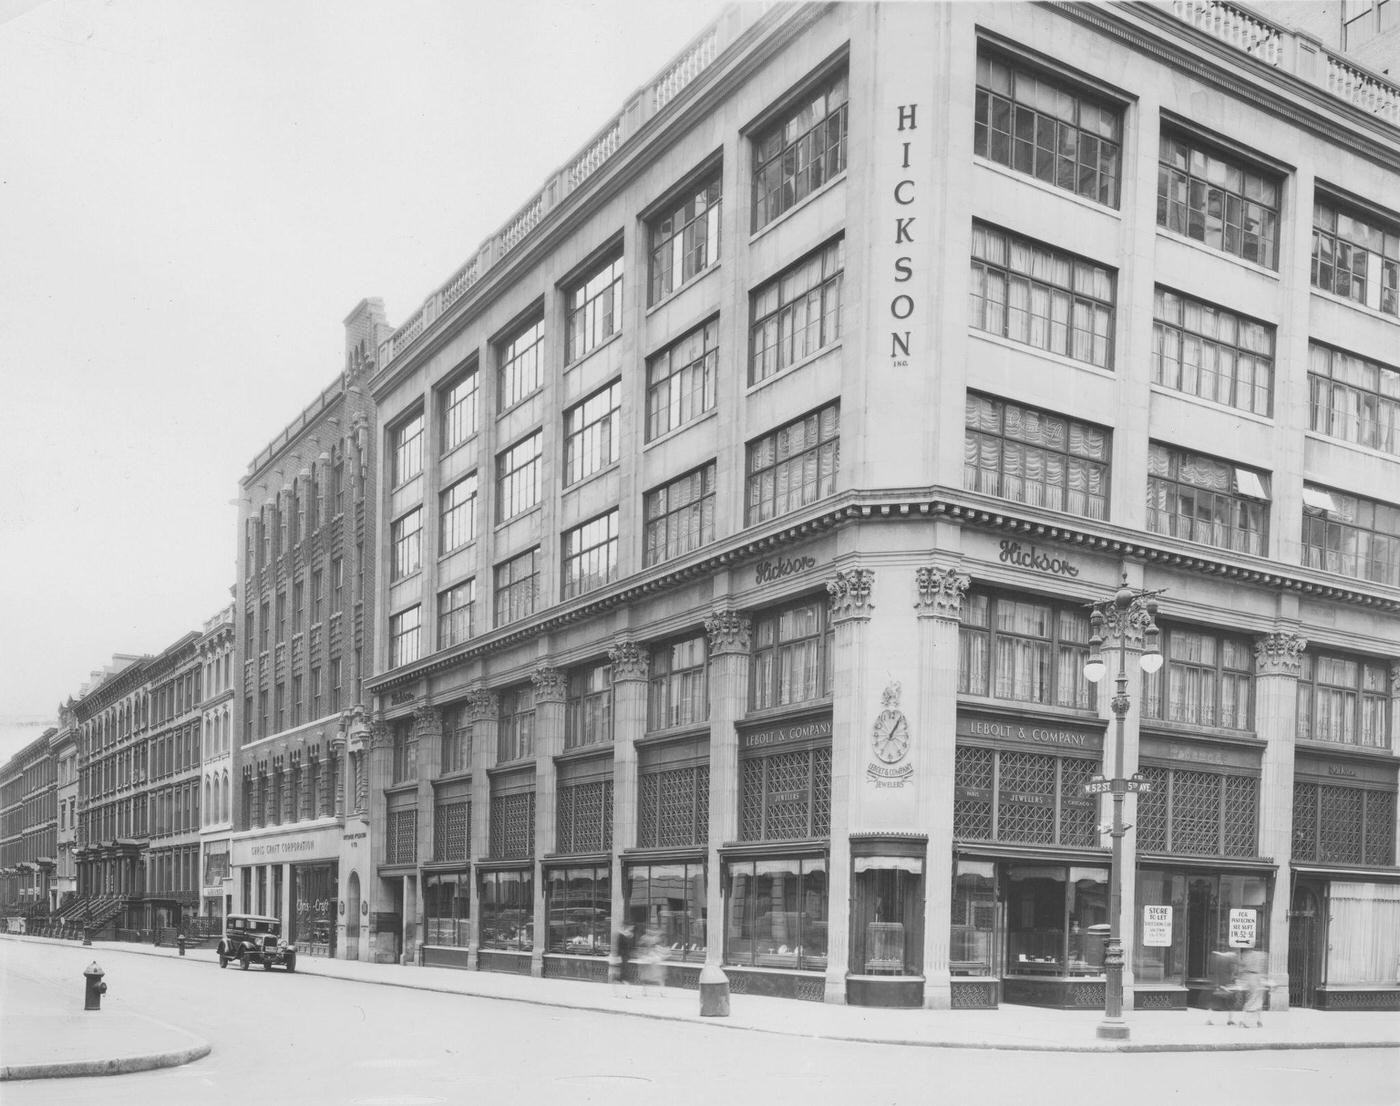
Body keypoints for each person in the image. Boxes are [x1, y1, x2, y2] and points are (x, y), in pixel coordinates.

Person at [1206, 947, 1241, 1026]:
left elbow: (1211, 970)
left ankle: (1209, 1019)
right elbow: (1233, 971)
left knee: (1214, 1002)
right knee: (1231, 1003)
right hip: (1227, 983)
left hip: (1217, 982)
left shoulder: (1215, 956)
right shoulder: (1231, 958)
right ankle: (1230, 1020)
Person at [1238, 946, 1270, 1028]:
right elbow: (1264, 968)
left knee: (1253, 1000)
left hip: (1249, 978)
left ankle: (1256, 1021)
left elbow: (1241, 969)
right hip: (1257, 979)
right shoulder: (1262, 955)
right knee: (1255, 1000)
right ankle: (1246, 1020)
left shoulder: (1245, 955)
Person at [610, 922, 634, 996]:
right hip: (621, 960)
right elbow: (619, 949)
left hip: (624, 960)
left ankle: (621, 993)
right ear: (625, 928)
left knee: (622, 978)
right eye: (629, 928)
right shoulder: (620, 936)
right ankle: (619, 993)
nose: (631, 930)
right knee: (622, 977)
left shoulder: (626, 936)